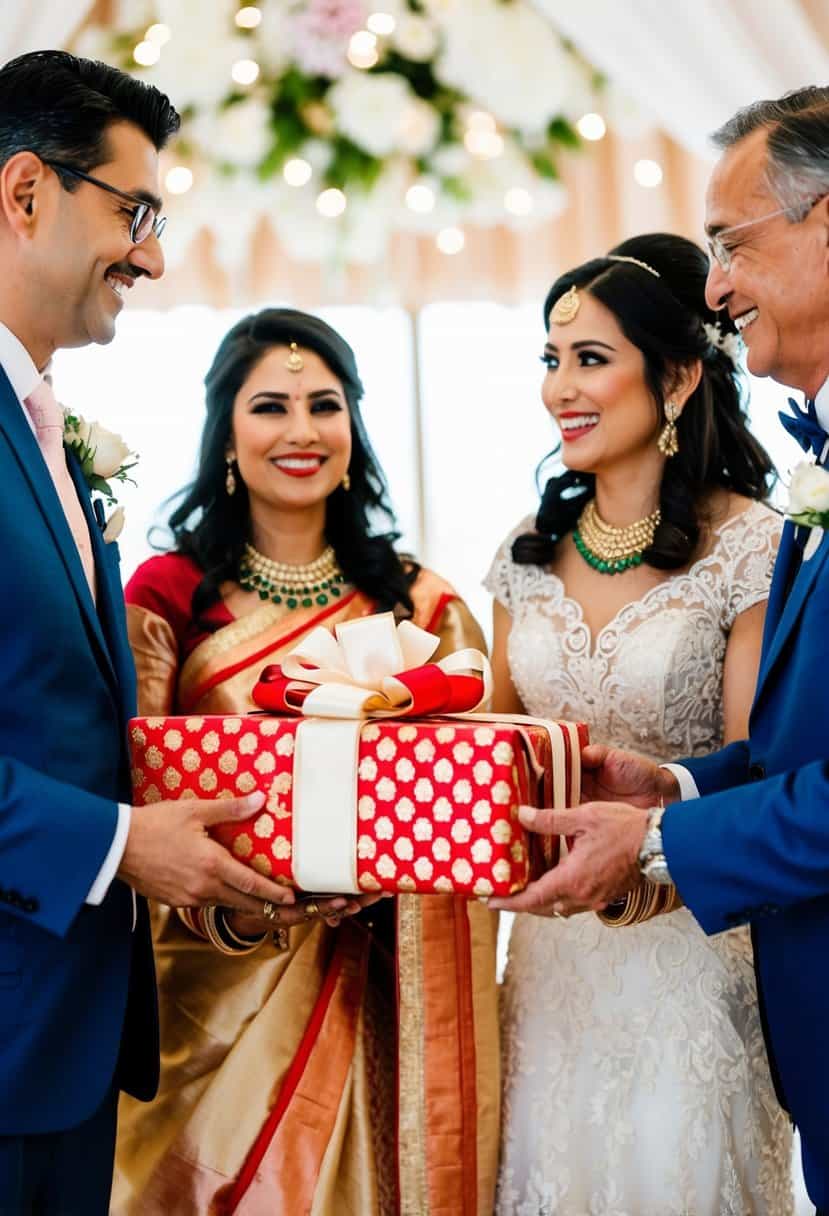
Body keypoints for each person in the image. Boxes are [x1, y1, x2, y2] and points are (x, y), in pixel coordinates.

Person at [491, 88, 829, 1213]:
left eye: (731, 245)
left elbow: (790, 768)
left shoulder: (753, 540)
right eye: (551, 358)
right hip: (567, 949)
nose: (717, 284)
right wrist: (667, 786)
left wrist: (659, 842)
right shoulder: (524, 554)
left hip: (699, 949)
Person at [112, 307, 501, 1215]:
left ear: (352, 430)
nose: (300, 431)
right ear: (225, 432)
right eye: (269, 407)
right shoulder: (164, 595)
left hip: (379, 988)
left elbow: (472, 801)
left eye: (324, 405)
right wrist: (250, 907)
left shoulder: (419, 604)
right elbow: (133, 797)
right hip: (207, 987)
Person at [0, 50, 298, 1216]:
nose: (153, 254)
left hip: (64, 1033)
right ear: (25, 194)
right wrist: (122, 846)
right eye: (135, 212)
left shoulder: (48, 427)